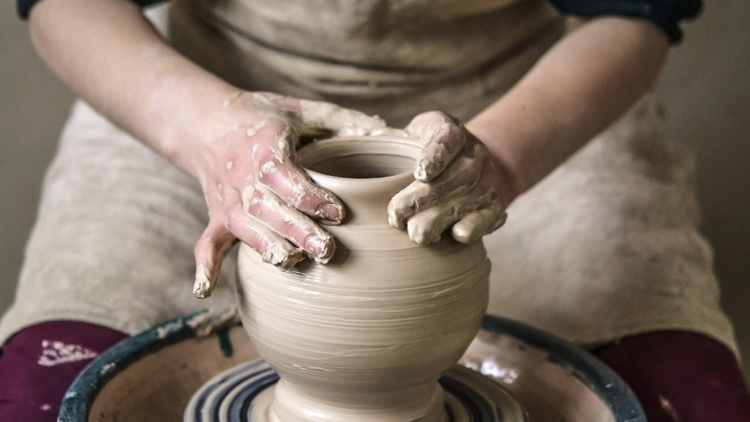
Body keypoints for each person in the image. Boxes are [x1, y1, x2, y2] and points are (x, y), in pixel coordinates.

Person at [1, 0, 749, 420]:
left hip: (532, 107)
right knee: (41, 396)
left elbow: (634, 10)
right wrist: (204, 129)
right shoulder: (203, 121)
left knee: (683, 404)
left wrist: (506, 158)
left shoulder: (519, 135)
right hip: (200, 103)